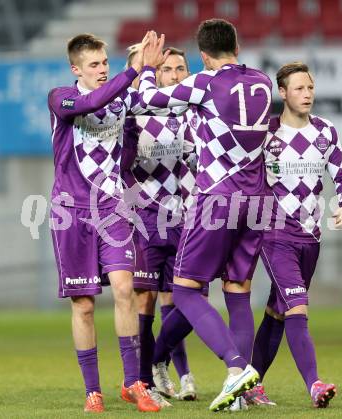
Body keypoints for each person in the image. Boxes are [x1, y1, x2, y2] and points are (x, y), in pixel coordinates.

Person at [138, 20, 272, 412]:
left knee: (184, 290)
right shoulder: (262, 80)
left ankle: (235, 369)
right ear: (238, 45)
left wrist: (147, 68)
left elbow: (149, 99)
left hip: (218, 198)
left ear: (203, 57)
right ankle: (242, 393)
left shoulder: (206, 82)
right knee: (238, 294)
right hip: (257, 200)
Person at [47, 33, 161, 413]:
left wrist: (148, 71)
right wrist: (131, 72)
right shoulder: (62, 97)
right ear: (76, 68)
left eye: (104, 64)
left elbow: (132, 134)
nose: (100, 70)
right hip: (70, 212)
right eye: (93, 65)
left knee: (125, 289)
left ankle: (134, 383)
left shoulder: (122, 96)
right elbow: (94, 101)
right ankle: (92, 391)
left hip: (111, 208)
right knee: (83, 305)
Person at [247, 61, 342, 408]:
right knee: (297, 307)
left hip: (311, 238)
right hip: (275, 234)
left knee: (278, 312)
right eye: (298, 88)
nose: (307, 94)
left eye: (310, 87)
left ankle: (250, 383)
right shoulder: (266, 133)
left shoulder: (325, 131)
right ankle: (315, 385)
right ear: (282, 93)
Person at [123, 45, 198, 404]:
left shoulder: (193, 115)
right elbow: (119, 169)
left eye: (180, 68)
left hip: (187, 218)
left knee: (186, 301)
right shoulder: (133, 116)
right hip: (144, 221)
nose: (174, 75)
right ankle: (146, 381)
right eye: (166, 69)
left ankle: (161, 366)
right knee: (146, 302)